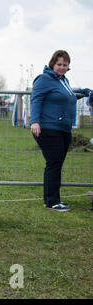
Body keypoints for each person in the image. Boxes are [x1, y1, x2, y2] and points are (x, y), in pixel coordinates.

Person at [30, 50, 90, 212]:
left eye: (65, 65)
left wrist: (85, 92)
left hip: (63, 129)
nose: (62, 67)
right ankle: (52, 201)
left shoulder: (63, 81)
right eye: (59, 64)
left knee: (56, 164)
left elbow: (68, 95)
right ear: (52, 64)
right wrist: (34, 121)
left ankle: (51, 198)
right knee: (54, 164)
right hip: (49, 128)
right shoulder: (44, 79)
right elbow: (36, 99)